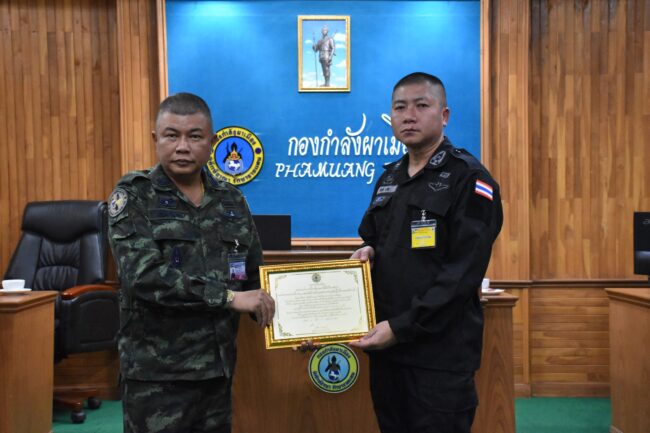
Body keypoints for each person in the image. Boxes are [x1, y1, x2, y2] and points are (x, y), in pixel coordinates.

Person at [108, 92, 275, 433]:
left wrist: (294, 326)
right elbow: (144, 277)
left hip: (217, 371)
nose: (182, 147)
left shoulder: (230, 199)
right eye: (172, 135)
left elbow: (253, 276)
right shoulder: (135, 194)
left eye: (194, 136)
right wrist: (228, 297)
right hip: (157, 376)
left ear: (211, 143)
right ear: (155, 138)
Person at [349, 73, 503, 433]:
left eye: (421, 105)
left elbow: (461, 275)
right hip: (387, 349)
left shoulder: (470, 178)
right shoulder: (389, 178)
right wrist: (367, 250)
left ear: (444, 115)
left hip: (438, 357)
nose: (409, 115)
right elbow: (373, 238)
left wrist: (401, 328)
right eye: (400, 108)